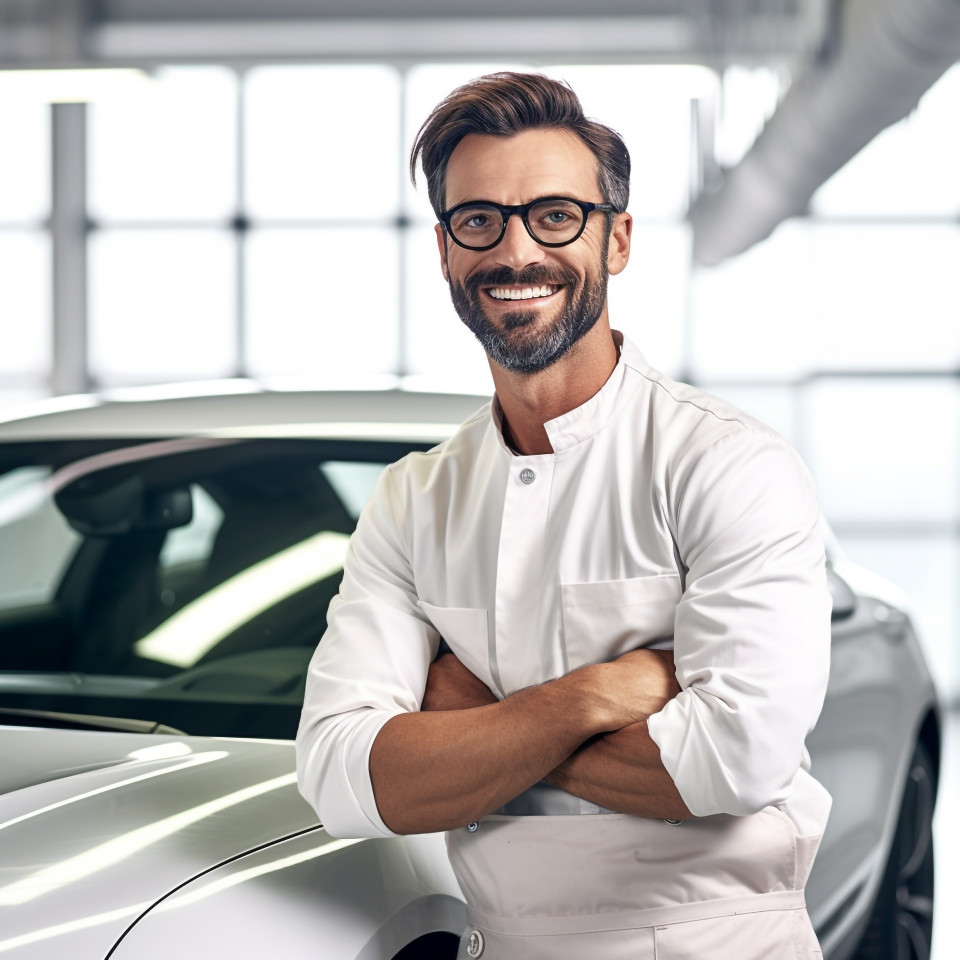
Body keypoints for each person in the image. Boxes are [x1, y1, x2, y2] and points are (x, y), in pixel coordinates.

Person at [296, 71, 832, 958]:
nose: (515, 253)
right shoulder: (414, 498)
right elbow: (348, 783)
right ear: (445, 250)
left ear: (616, 239)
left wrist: (474, 716)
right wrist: (588, 696)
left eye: (555, 216)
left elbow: (735, 763)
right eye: (480, 221)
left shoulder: (724, 462)